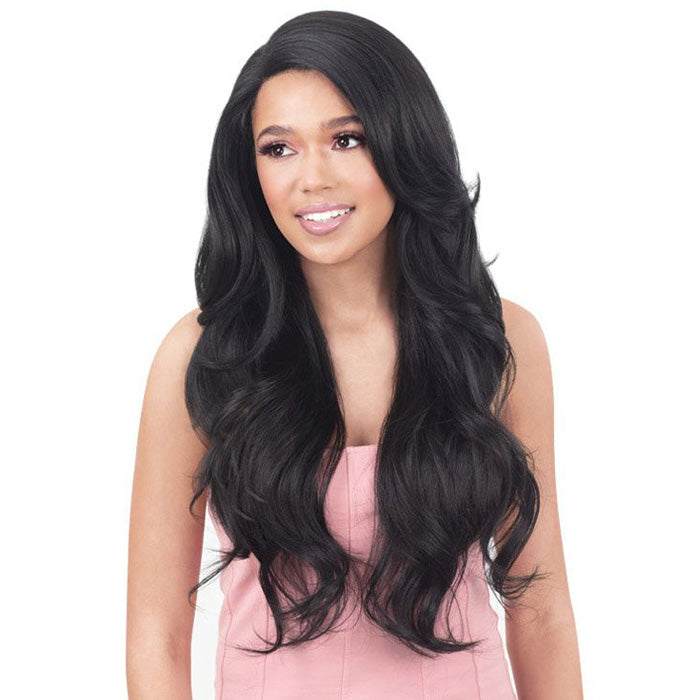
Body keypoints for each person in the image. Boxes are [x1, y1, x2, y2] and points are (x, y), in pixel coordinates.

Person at [126, 10, 583, 700]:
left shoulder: (500, 340)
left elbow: (540, 606)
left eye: (346, 139)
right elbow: (156, 634)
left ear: (405, 143)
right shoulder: (204, 356)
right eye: (279, 148)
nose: (312, 178)